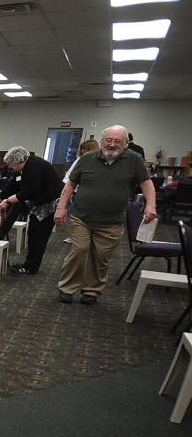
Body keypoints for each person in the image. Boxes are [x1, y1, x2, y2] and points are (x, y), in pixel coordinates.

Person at [54, 124, 156, 304]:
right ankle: (67, 288)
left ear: (126, 143)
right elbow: (70, 185)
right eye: (108, 140)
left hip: (112, 221)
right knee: (79, 250)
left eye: (117, 141)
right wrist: (61, 208)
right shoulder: (87, 158)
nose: (112, 144)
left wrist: (151, 205)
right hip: (81, 217)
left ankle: (91, 291)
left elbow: (146, 184)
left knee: (100, 256)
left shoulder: (134, 160)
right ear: (102, 142)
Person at [0, 146, 62, 275]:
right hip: (38, 205)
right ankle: (28, 265)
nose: (10, 168)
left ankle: (31, 267)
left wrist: (9, 201)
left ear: (18, 161)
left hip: (47, 206)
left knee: (39, 236)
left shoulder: (34, 166)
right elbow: (9, 189)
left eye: (11, 165)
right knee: (33, 234)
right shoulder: (22, 169)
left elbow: (31, 190)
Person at [61, 138, 100, 243]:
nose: (83, 151)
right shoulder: (80, 160)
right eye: (82, 149)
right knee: (74, 215)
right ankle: (74, 236)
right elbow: (69, 177)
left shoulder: (99, 161)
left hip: (91, 194)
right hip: (77, 192)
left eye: (85, 149)